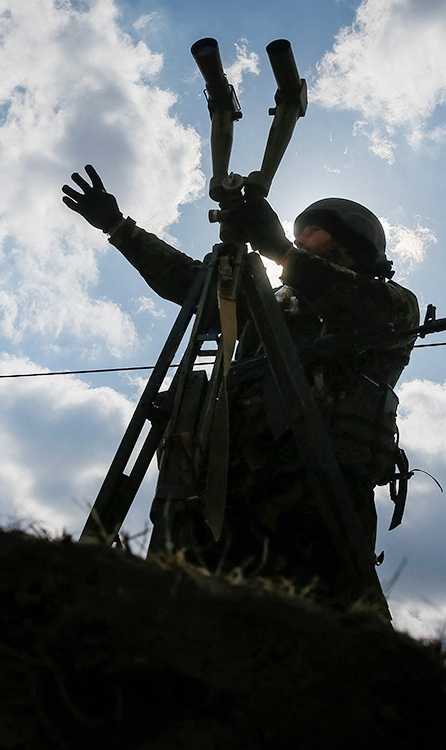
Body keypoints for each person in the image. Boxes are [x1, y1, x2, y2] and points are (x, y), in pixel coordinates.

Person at [63, 164, 419, 607]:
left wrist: (278, 250)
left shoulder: (392, 305)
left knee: (321, 624)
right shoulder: (270, 305)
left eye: (315, 231)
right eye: (300, 231)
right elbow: (195, 284)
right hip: (227, 494)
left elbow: (355, 303)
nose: (303, 237)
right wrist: (120, 229)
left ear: (351, 247)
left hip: (316, 497)